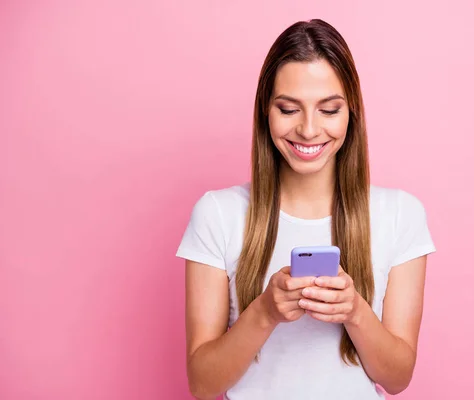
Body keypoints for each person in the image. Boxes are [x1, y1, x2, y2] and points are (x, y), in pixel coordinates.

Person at [176, 18, 436, 400]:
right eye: (289, 109)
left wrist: (355, 312)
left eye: (329, 110)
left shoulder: (400, 215)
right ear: (266, 111)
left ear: (352, 114)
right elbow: (202, 383)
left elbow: (396, 378)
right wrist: (265, 312)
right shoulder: (217, 214)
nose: (309, 130)